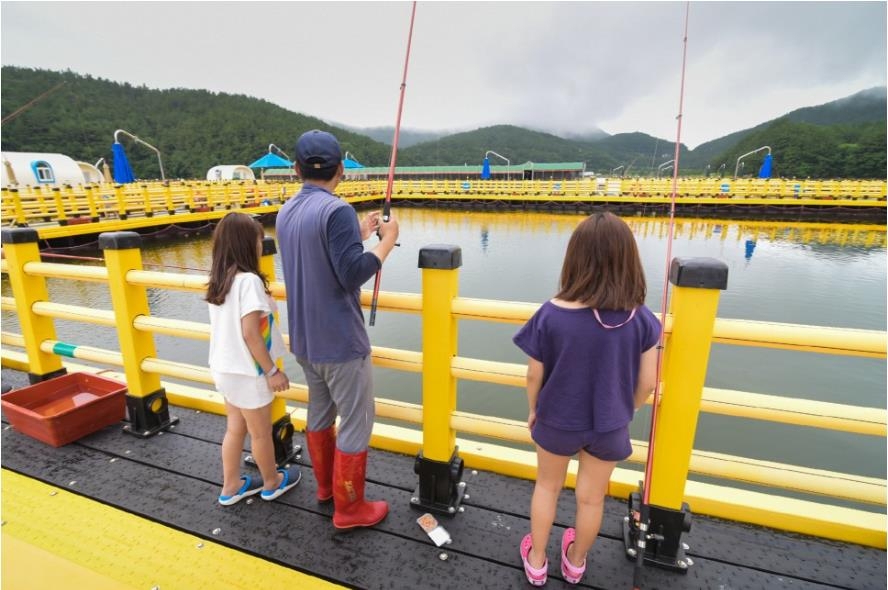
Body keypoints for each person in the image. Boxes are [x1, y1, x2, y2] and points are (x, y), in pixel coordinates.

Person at [513, 212, 660, 586]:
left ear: (574, 258)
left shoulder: (551, 314)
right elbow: (648, 381)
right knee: (591, 499)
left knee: (547, 487)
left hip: (556, 419)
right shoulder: (642, 319)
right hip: (609, 425)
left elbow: (534, 374)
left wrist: (534, 408)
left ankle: (537, 560)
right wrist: (628, 408)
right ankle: (575, 562)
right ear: (628, 260)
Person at [276, 130, 400, 529]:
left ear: (295, 169)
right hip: (341, 343)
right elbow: (351, 274)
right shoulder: (337, 210)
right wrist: (385, 243)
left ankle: (326, 489)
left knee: (320, 412)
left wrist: (359, 235)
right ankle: (349, 509)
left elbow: (318, 254)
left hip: (305, 339)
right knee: (357, 420)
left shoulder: (286, 211)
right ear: (341, 170)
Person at [206, 212, 301, 506]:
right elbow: (251, 333)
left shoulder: (220, 280)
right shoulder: (248, 282)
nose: (262, 245)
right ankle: (272, 483)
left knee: (235, 428)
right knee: (260, 434)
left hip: (225, 369)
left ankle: (231, 486)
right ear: (249, 244)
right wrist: (272, 371)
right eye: (259, 240)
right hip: (250, 372)